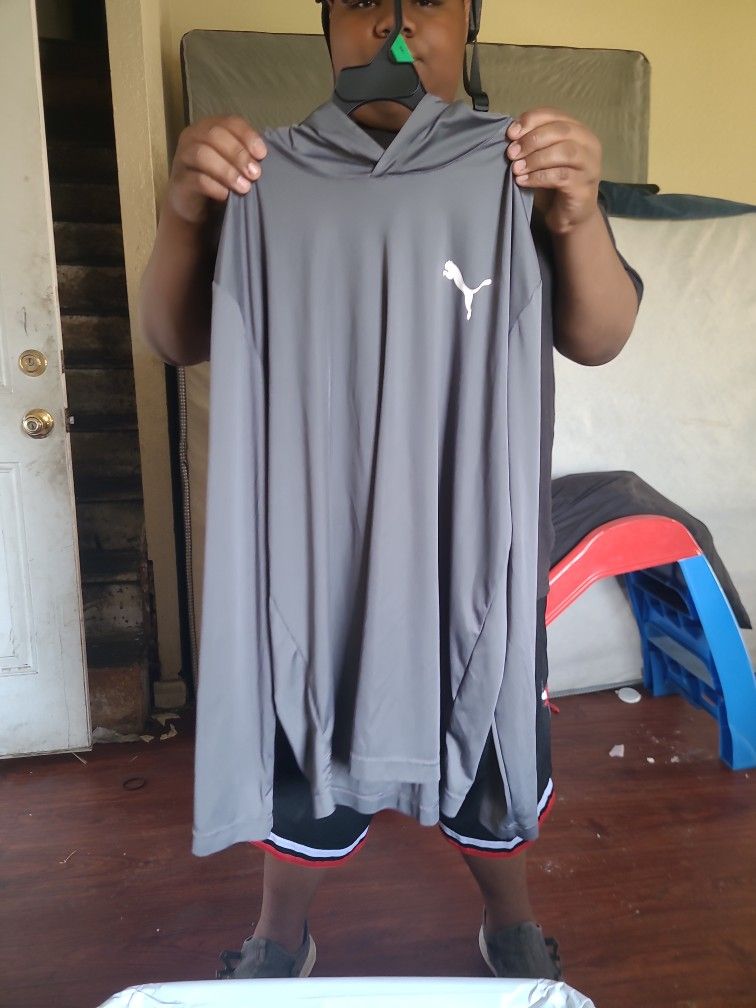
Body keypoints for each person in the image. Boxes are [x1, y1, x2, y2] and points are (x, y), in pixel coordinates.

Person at [140, 0, 641, 982]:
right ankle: (280, 933)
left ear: (468, 23)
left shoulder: (520, 169)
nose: (396, 24)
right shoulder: (259, 173)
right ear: (328, 25)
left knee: (487, 736)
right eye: (365, 0)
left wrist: (578, 210)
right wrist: (187, 209)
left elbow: (599, 335)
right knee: (303, 732)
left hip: (468, 538)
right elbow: (173, 337)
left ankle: (509, 920)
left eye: (429, 1)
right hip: (312, 545)